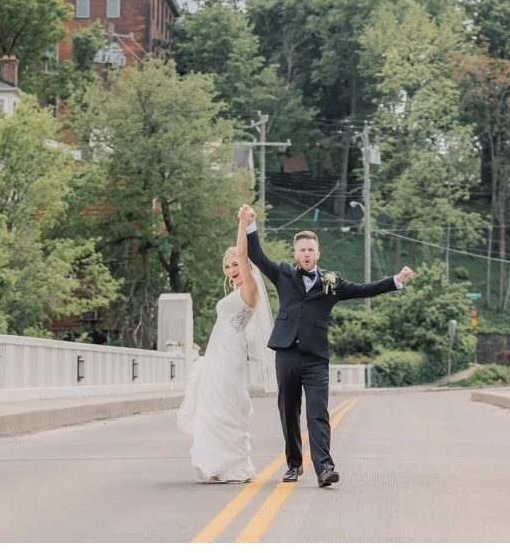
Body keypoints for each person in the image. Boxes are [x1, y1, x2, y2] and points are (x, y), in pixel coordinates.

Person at [240, 203, 413, 487]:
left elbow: (363, 289)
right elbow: (257, 256)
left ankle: (324, 468)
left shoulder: (331, 281)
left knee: (317, 411)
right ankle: (294, 465)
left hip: (316, 356)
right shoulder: (283, 273)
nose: (306, 254)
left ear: (318, 254)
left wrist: (396, 280)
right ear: (295, 254)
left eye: (311, 250)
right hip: (286, 352)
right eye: (302, 250)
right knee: (288, 409)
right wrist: (249, 224)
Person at [175, 214, 272, 483]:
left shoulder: (250, 289)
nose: (232, 269)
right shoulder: (233, 292)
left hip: (231, 355)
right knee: (212, 407)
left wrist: (243, 224)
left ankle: (235, 465)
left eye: (236, 264)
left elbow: (243, 252)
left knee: (226, 405)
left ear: (245, 264)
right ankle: (216, 465)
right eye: (227, 266)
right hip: (216, 354)